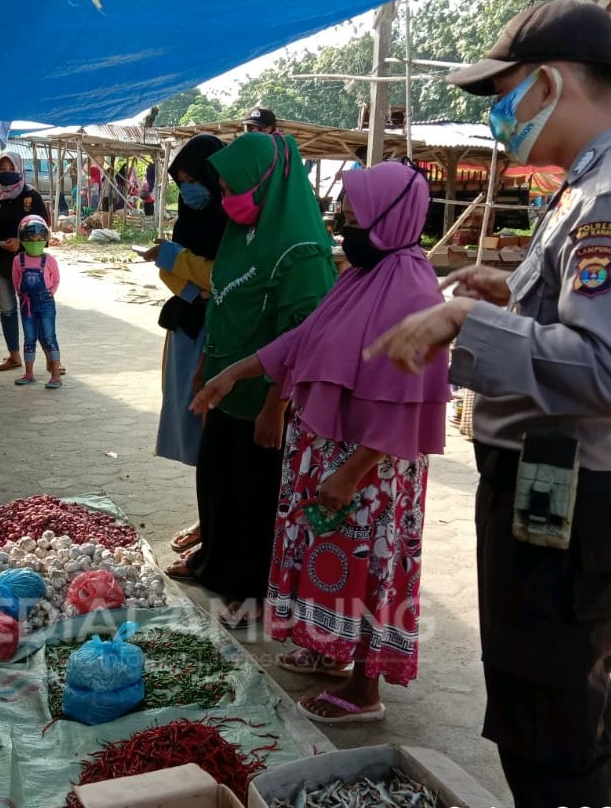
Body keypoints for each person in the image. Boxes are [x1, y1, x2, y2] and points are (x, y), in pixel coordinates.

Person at [365, 0, 611, 807]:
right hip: (562, 489)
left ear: (549, 81)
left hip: (568, 495)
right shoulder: (598, 181)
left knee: (547, 723)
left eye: (503, 92)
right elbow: (590, 334)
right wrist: (514, 305)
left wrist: (467, 321)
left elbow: (609, 373)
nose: (496, 115)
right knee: (570, 700)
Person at [192, 160, 450, 722]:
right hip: (331, 450)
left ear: (388, 219)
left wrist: (351, 473)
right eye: (342, 217)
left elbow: (404, 398)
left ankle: (365, 691)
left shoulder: (411, 290)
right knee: (331, 559)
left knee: (370, 568)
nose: (343, 228)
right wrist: (235, 372)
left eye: (353, 219)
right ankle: (332, 656)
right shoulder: (364, 277)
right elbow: (306, 337)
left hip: (369, 465)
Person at [165, 131, 336, 629]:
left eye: (232, 186)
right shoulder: (242, 232)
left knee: (256, 495)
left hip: (264, 396)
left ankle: (252, 590)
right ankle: (213, 564)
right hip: (223, 384)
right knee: (218, 480)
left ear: (264, 182)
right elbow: (220, 297)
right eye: (221, 187)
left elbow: (302, 340)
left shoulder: (301, 251)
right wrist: (204, 364)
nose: (225, 197)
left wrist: (275, 406)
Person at [140, 134, 228, 555]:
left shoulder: (233, 218)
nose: (188, 187)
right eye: (182, 179)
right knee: (193, 430)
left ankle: (216, 528)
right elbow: (176, 278)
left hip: (219, 336)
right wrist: (191, 278)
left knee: (215, 435)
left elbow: (223, 279)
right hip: (189, 327)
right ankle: (207, 519)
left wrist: (178, 261)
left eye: (194, 177)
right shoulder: (189, 221)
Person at [0, 151, 49, 373]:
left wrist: (20, 244)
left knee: (34, 310)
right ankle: (14, 356)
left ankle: (52, 358)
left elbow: (44, 231)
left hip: (28, 265)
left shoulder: (31, 197)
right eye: (3, 168)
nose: (6, 173)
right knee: (7, 310)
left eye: (11, 168)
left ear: (19, 169)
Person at [11, 216, 62, 388]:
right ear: (23, 239)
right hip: (27, 305)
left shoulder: (49, 260)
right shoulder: (18, 260)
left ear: (45, 239)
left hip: (46, 303)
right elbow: (15, 280)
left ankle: (56, 375)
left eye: (39, 238)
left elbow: (55, 280)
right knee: (29, 338)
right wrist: (22, 296)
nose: (35, 241)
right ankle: (29, 373)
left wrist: (49, 294)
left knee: (49, 337)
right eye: (31, 238)